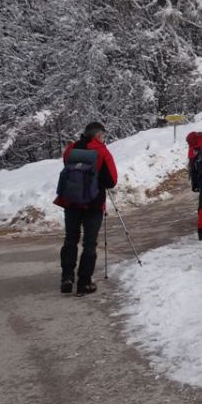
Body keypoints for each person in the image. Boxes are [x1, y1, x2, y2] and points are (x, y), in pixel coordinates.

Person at [54, 121, 118, 296]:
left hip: (71, 201)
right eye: (102, 135)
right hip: (93, 203)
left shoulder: (71, 149)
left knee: (70, 239)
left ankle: (67, 277)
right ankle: (84, 282)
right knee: (89, 243)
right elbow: (112, 180)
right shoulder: (102, 151)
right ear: (98, 135)